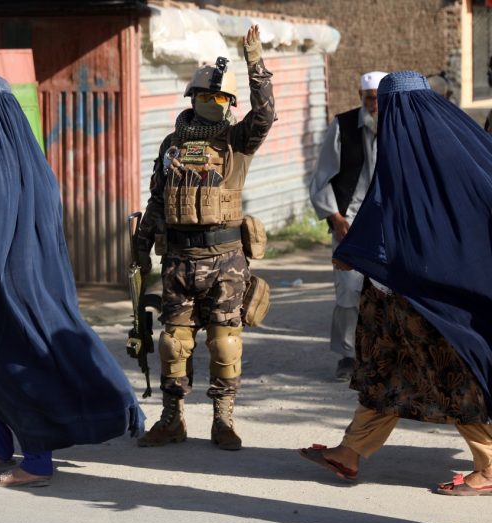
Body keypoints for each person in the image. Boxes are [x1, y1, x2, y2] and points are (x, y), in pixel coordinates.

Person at [0, 73, 144, 488]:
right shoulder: (30, 159)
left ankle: (37, 461)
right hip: (38, 277)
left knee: (22, 366)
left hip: (9, 282)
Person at [298, 70, 492, 495]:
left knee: (451, 374)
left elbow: (392, 208)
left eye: (384, 105)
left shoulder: (413, 145)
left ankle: (491, 461)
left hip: (428, 298)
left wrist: (354, 254)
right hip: (397, 291)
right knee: (384, 371)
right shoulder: (451, 139)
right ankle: (350, 451)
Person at [133, 24, 275, 450]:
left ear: (230, 104)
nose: (212, 103)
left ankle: (223, 420)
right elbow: (157, 200)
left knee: (225, 343)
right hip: (178, 260)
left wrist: (255, 64)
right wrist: (140, 249)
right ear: (191, 99)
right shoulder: (172, 144)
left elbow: (265, 114)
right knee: (173, 344)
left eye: (220, 99)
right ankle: (172, 420)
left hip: (226, 261)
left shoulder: (237, 141)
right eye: (204, 97)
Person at [308, 70, 388, 380]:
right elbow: (321, 178)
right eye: (369, 99)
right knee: (348, 291)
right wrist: (335, 218)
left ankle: (385, 355)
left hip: (387, 222)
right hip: (350, 222)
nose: (374, 105)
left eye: (379, 99)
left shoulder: (398, 127)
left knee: (387, 292)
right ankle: (348, 356)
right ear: (360, 97)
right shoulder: (342, 126)